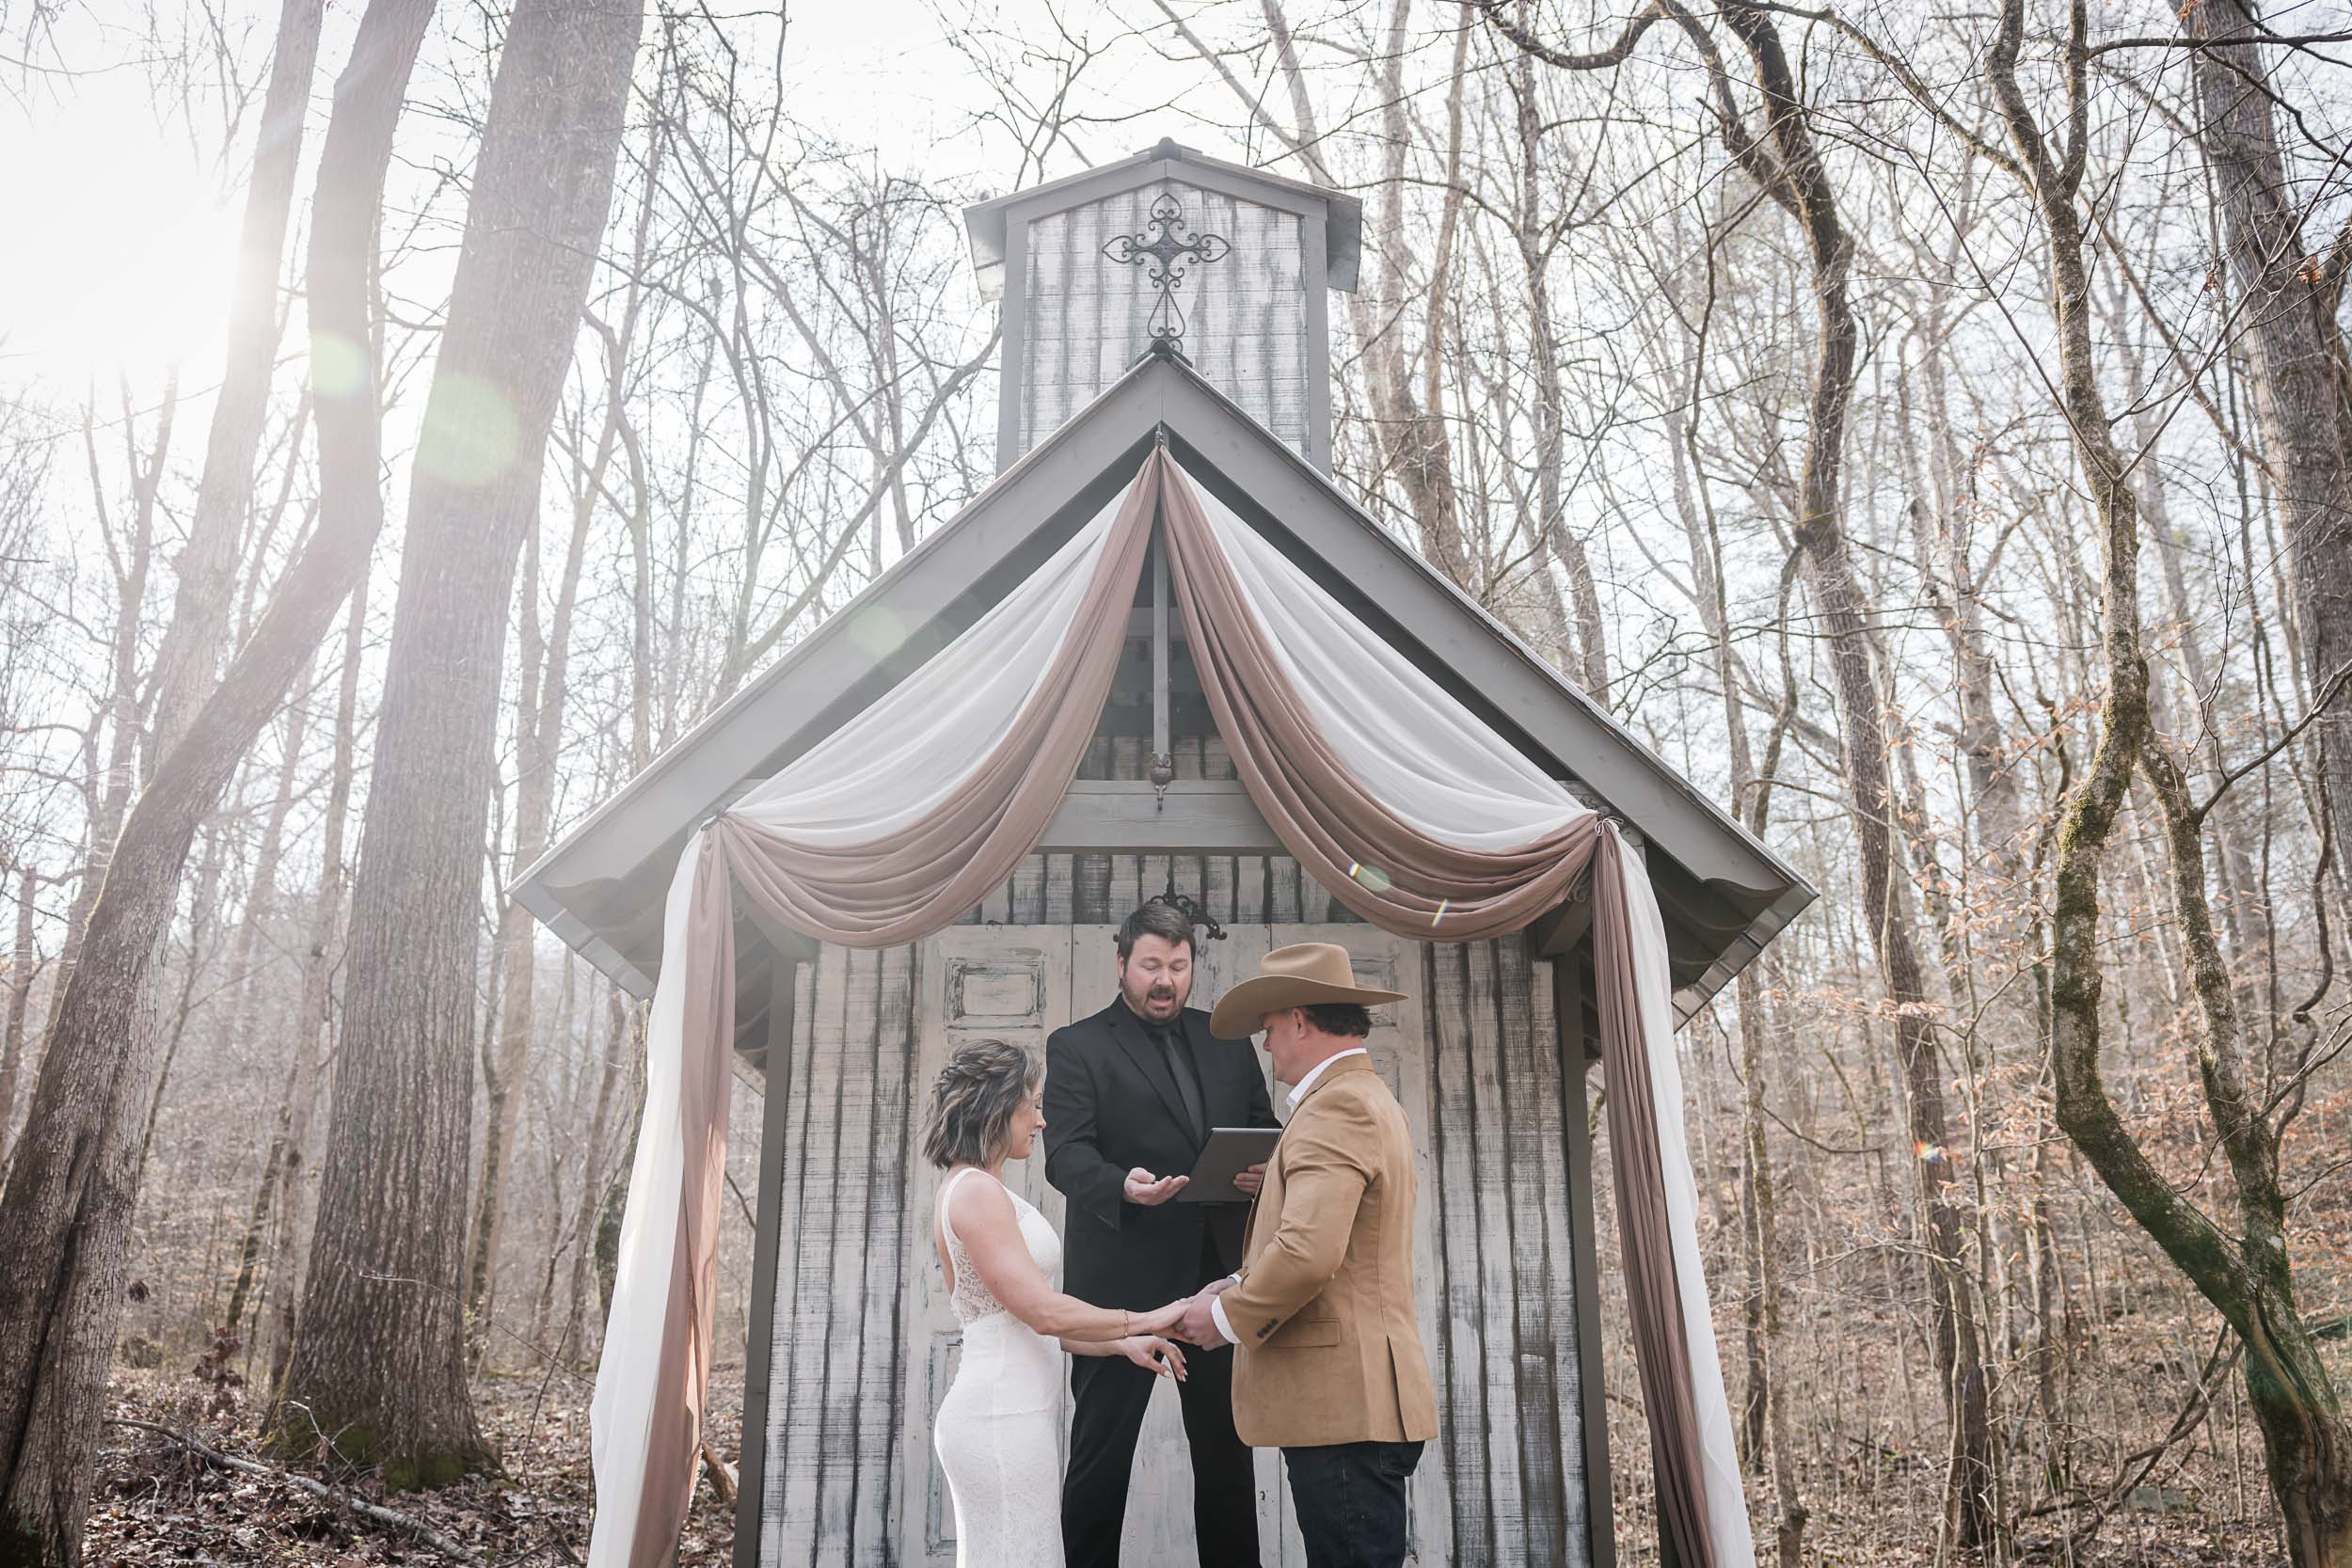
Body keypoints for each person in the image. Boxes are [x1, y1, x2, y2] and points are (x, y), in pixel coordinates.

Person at [1176, 942, 1438, 1568]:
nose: (1267, 1046)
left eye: (1269, 1029)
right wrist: (1237, 1278)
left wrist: (1221, 1319)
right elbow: (1331, 1245)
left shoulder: (1337, 1107)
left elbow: (1309, 1254)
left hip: (1343, 1410)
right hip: (1354, 1408)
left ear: (1298, 1019)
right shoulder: (1367, 1098)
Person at [1042, 898, 1280, 1568]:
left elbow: (1266, 1130)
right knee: (1099, 1465)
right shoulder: (1076, 1045)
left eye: (1178, 965)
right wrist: (1122, 1184)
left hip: (1213, 1287)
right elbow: (1064, 1153)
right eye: (1151, 964)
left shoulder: (1228, 1040)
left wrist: (1263, 1171)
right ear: (1121, 964)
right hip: (1117, 1295)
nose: (1165, 979)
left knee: (1228, 1466)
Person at [924, 1037, 1193, 1568]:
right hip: (1000, 1417)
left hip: (1017, 1413)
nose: (1042, 1122)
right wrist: (1147, 1316)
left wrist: (1123, 1344)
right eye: (1035, 1104)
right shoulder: (975, 1191)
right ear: (999, 1105)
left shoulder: (986, 1189)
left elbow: (1028, 1318)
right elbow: (1043, 1313)